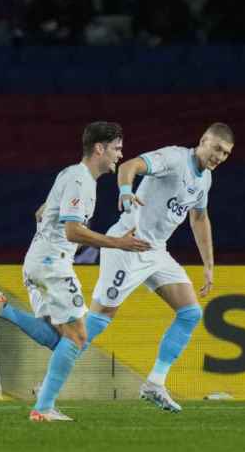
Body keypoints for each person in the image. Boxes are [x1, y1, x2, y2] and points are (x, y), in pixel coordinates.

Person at [0, 122, 149, 421]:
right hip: (52, 265)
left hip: (38, 261)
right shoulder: (80, 180)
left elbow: (41, 212)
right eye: (116, 148)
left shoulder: (69, 173)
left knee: (61, 340)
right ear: (99, 148)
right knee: (78, 338)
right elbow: (74, 231)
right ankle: (43, 408)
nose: (120, 154)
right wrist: (117, 243)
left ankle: (3, 310)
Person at [83, 123, 234, 413]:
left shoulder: (205, 180)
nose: (219, 156)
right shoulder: (175, 159)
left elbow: (199, 219)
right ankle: (54, 369)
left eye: (225, 153)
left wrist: (209, 265)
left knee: (190, 313)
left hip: (155, 251)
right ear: (203, 141)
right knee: (99, 320)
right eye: (216, 148)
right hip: (127, 243)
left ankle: (154, 383)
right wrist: (126, 192)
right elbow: (130, 165)